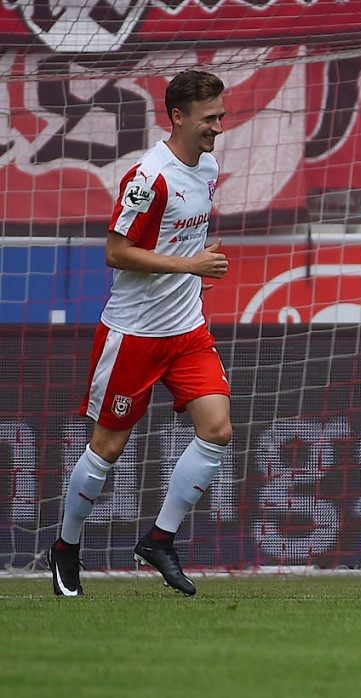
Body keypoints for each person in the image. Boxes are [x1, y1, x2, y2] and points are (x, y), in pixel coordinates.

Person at [47, 69, 233, 597]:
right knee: (106, 448)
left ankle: (159, 539)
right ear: (177, 116)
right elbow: (115, 252)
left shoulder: (208, 166)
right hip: (134, 333)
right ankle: (66, 547)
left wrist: (195, 268)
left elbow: (182, 237)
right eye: (209, 118)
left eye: (221, 115)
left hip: (187, 329)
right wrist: (190, 267)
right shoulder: (149, 178)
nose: (218, 126)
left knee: (217, 429)